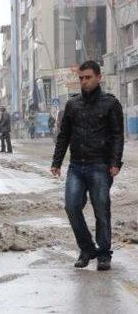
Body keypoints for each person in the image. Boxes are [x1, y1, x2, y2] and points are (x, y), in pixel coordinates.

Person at [51, 60, 124, 271]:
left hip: (100, 166)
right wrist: (57, 162)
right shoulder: (72, 104)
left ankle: (104, 254)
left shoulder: (111, 103)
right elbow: (64, 136)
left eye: (88, 77)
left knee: (101, 210)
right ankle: (87, 248)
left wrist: (115, 163)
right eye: (81, 78)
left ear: (99, 77)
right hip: (76, 166)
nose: (84, 82)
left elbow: (118, 136)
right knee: (72, 206)